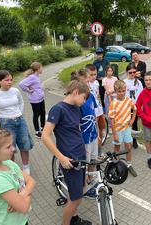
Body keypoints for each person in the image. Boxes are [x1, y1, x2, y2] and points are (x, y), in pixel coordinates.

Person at [42, 79, 92, 225]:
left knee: (80, 189)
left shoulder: (76, 108)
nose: (84, 102)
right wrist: (61, 158)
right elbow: (45, 135)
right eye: (84, 98)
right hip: (70, 159)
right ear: (76, 92)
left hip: (80, 155)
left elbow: (76, 130)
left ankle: (74, 218)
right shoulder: (58, 109)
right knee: (76, 199)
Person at [0, 127, 36, 225]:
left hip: (21, 221)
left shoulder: (8, 163)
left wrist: (21, 195)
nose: (13, 149)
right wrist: (28, 192)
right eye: (8, 147)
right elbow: (24, 207)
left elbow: (32, 181)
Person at [0, 70, 33, 174]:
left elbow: (21, 102)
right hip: (6, 123)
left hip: (20, 120)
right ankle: (11, 169)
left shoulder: (15, 91)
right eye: (6, 80)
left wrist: (19, 113)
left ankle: (26, 168)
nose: (10, 82)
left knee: (24, 144)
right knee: (9, 147)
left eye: (11, 80)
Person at [71, 69, 98, 199]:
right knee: (85, 163)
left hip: (93, 134)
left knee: (93, 160)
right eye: (86, 80)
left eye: (89, 80)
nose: (88, 82)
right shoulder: (76, 100)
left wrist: (97, 132)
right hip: (84, 137)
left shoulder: (91, 95)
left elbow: (95, 114)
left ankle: (91, 180)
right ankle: (84, 188)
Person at [109, 80, 137, 177]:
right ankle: (116, 165)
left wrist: (132, 120)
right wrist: (115, 133)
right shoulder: (113, 103)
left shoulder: (128, 100)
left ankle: (129, 165)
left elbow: (135, 109)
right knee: (117, 148)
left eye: (124, 91)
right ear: (116, 91)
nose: (122, 93)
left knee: (128, 147)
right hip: (118, 130)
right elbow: (112, 120)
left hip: (127, 128)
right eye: (119, 91)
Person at [19, 62, 45, 139]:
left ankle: (43, 127)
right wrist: (28, 90)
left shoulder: (36, 76)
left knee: (43, 113)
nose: (42, 69)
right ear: (37, 69)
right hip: (35, 100)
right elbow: (21, 84)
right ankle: (37, 132)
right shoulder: (32, 77)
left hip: (41, 99)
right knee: (36, 115)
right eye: (41, 67)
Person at [85, 64, 106, 157]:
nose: (94, 77)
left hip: (100, 111)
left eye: (95, 74)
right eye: (91, 74)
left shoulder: (97, 83)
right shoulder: (86, 85)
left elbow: (98, 97)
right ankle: (94, 153)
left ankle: (99, 150)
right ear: (86, 75)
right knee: (95, 133)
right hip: (92, 113)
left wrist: (102, 107)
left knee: (101, 131)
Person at [124, 62, 143, 149]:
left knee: (134, 123)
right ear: (127, 72)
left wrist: (140, 106)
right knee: (127, 123)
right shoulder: (124, 82)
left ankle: (134, 140)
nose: (132, 74)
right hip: (126, 106)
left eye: (134, 72)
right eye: (130, 72)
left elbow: (141, 95)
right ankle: (127, 139)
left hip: (135, 107)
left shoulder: (138, 82)